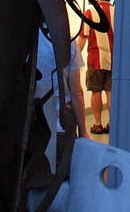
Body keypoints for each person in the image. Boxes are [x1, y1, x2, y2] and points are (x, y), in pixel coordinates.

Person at [35, 26, 88, 170]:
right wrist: (83, 132)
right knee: (61, 179)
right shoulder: (68, 41)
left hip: (31, 125)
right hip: (60, 126)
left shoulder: (24, 38)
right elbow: (76, 92)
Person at [79, 0, 114, 135]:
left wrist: (74, 57)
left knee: (95, 91)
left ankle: (98, 124)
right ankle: (111, 123)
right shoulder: (117, 12)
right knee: (110, 92)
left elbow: (82, 38)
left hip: (95, 59)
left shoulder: (90, 12)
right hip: (113, 59)